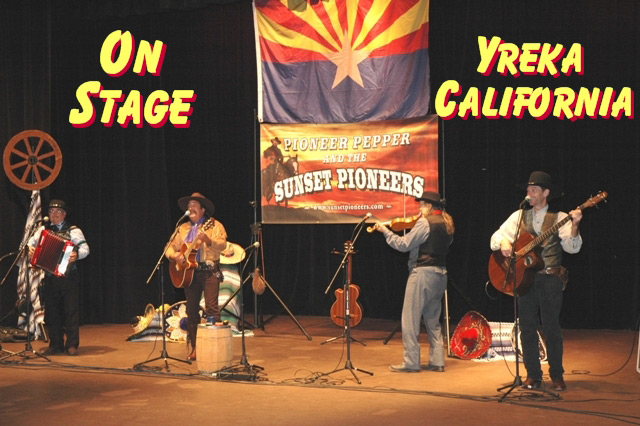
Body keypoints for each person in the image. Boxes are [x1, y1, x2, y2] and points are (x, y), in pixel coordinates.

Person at [490, 171, 582, 391]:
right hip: (524, 279)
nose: (528, 194)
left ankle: (557, 375)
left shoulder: (560, 218)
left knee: (551, 327)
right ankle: (533, 375)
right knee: (527, 327)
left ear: (546, 193)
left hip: (550, 278)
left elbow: (573, 247)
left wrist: (576, 225)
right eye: (528, 191)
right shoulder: (518, 216)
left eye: (533, 190)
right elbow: (495, 237)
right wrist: (503, 242)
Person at [374, 191, 455, 373]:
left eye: (421, 205)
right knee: (433, 320)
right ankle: (437, 361)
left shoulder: (425, 223)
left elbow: (404, 244)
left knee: (409, 319)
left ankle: (411, 362)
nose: (419, 208)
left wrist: (385, 232)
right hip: (441, 274)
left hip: (423, 273)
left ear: (428, 206)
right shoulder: (447, 224)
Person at [166, 192, 227, 361]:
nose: (190, 208)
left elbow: (222, 245)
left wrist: (208, 240)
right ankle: (195, 348)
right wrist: (175, 256)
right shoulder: (183, 228)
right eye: (189, 205)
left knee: (212, 309)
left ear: (202, 209)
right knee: (192, 311)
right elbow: (169, 247)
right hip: (189, 273)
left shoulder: (214, 225)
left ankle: (215, 348)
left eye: (194, 205)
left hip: (209, 271)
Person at [28, 199, 90, 356]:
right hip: (50, 276)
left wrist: (76, 255)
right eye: (50, 212)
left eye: (57, 212)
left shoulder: (73, 231)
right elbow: (31, 242)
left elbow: (85, 249)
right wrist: (31, 248)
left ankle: (72, 345)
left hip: (68, 276)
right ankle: (55, 344)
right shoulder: (43, 229)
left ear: (64, 214)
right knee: (52, 312)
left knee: (71, 311)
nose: (53, 214)